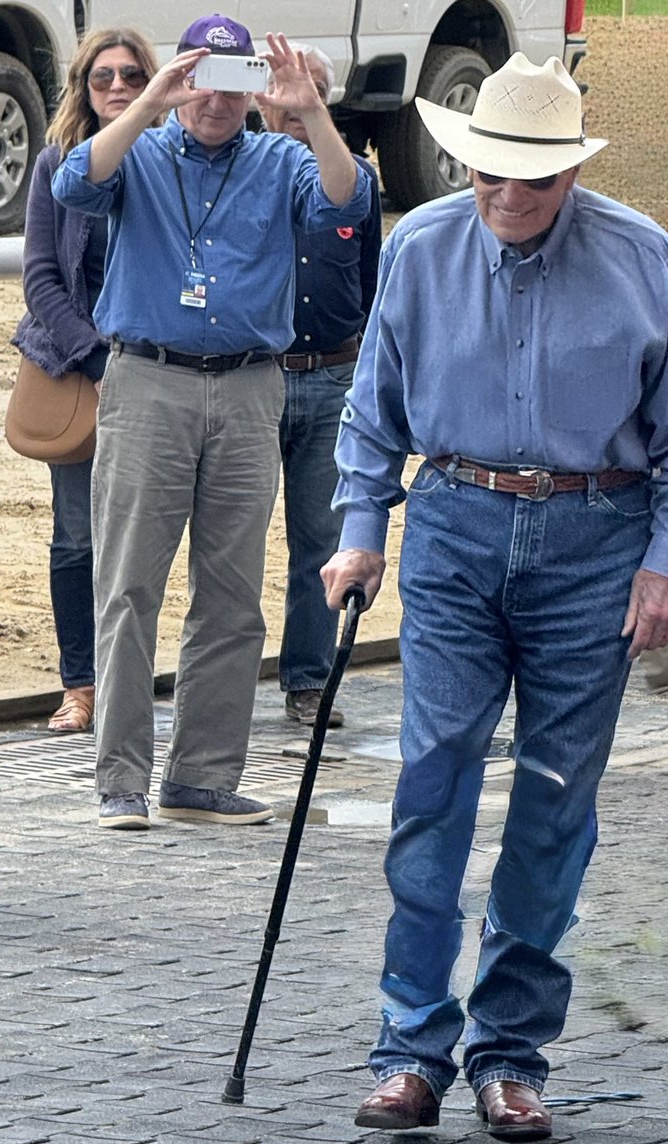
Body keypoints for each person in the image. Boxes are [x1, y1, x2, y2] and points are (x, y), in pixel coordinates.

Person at [320, 53, 668, 1140]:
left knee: (553, 803)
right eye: (489, 175)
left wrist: (667, 563)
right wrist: (361, 533)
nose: (509, 197)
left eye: (534, 180)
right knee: (431, 785)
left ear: (572, 173)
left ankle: (512, 1054)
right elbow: (374, 414)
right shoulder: (418, 248)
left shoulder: (643, 256)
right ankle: (410, 1049)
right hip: (455, 526)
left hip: (597, 544)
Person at [52, 14, 371, 832]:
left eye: (232, 86)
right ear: (182, 78)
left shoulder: (277, 158)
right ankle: (120, 777)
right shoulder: (144, 149)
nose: (215, 103)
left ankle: (201, 777)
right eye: (202, 82)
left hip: (247, 385)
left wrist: (311, 114)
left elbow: (346, 201)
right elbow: (73, 182)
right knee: (128, 586)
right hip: (148, 379)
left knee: (231, 595)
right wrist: (152, 98)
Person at [11, 28, 160, 733]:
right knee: (76, 535)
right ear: (82, 86)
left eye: (132, 75)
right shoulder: (55, 163)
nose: (118, 88)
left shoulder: (169, 161)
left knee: (144, 537)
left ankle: (132, 678)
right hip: (79, 371)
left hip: (161, 372)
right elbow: (40, 275)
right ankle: (81, 685)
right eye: (103, 78)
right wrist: (96, 362)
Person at [257, 45, 381, 730]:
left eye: (314, 91)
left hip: (333, 377)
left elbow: (373, 283)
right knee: (233, 540)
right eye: (284, 91)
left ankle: (307, 680)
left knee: (321, 540)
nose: (298, 103)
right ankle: (220, 676)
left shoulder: (355, 182)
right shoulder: (242, 178)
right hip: (254, 377)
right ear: (260, 100)